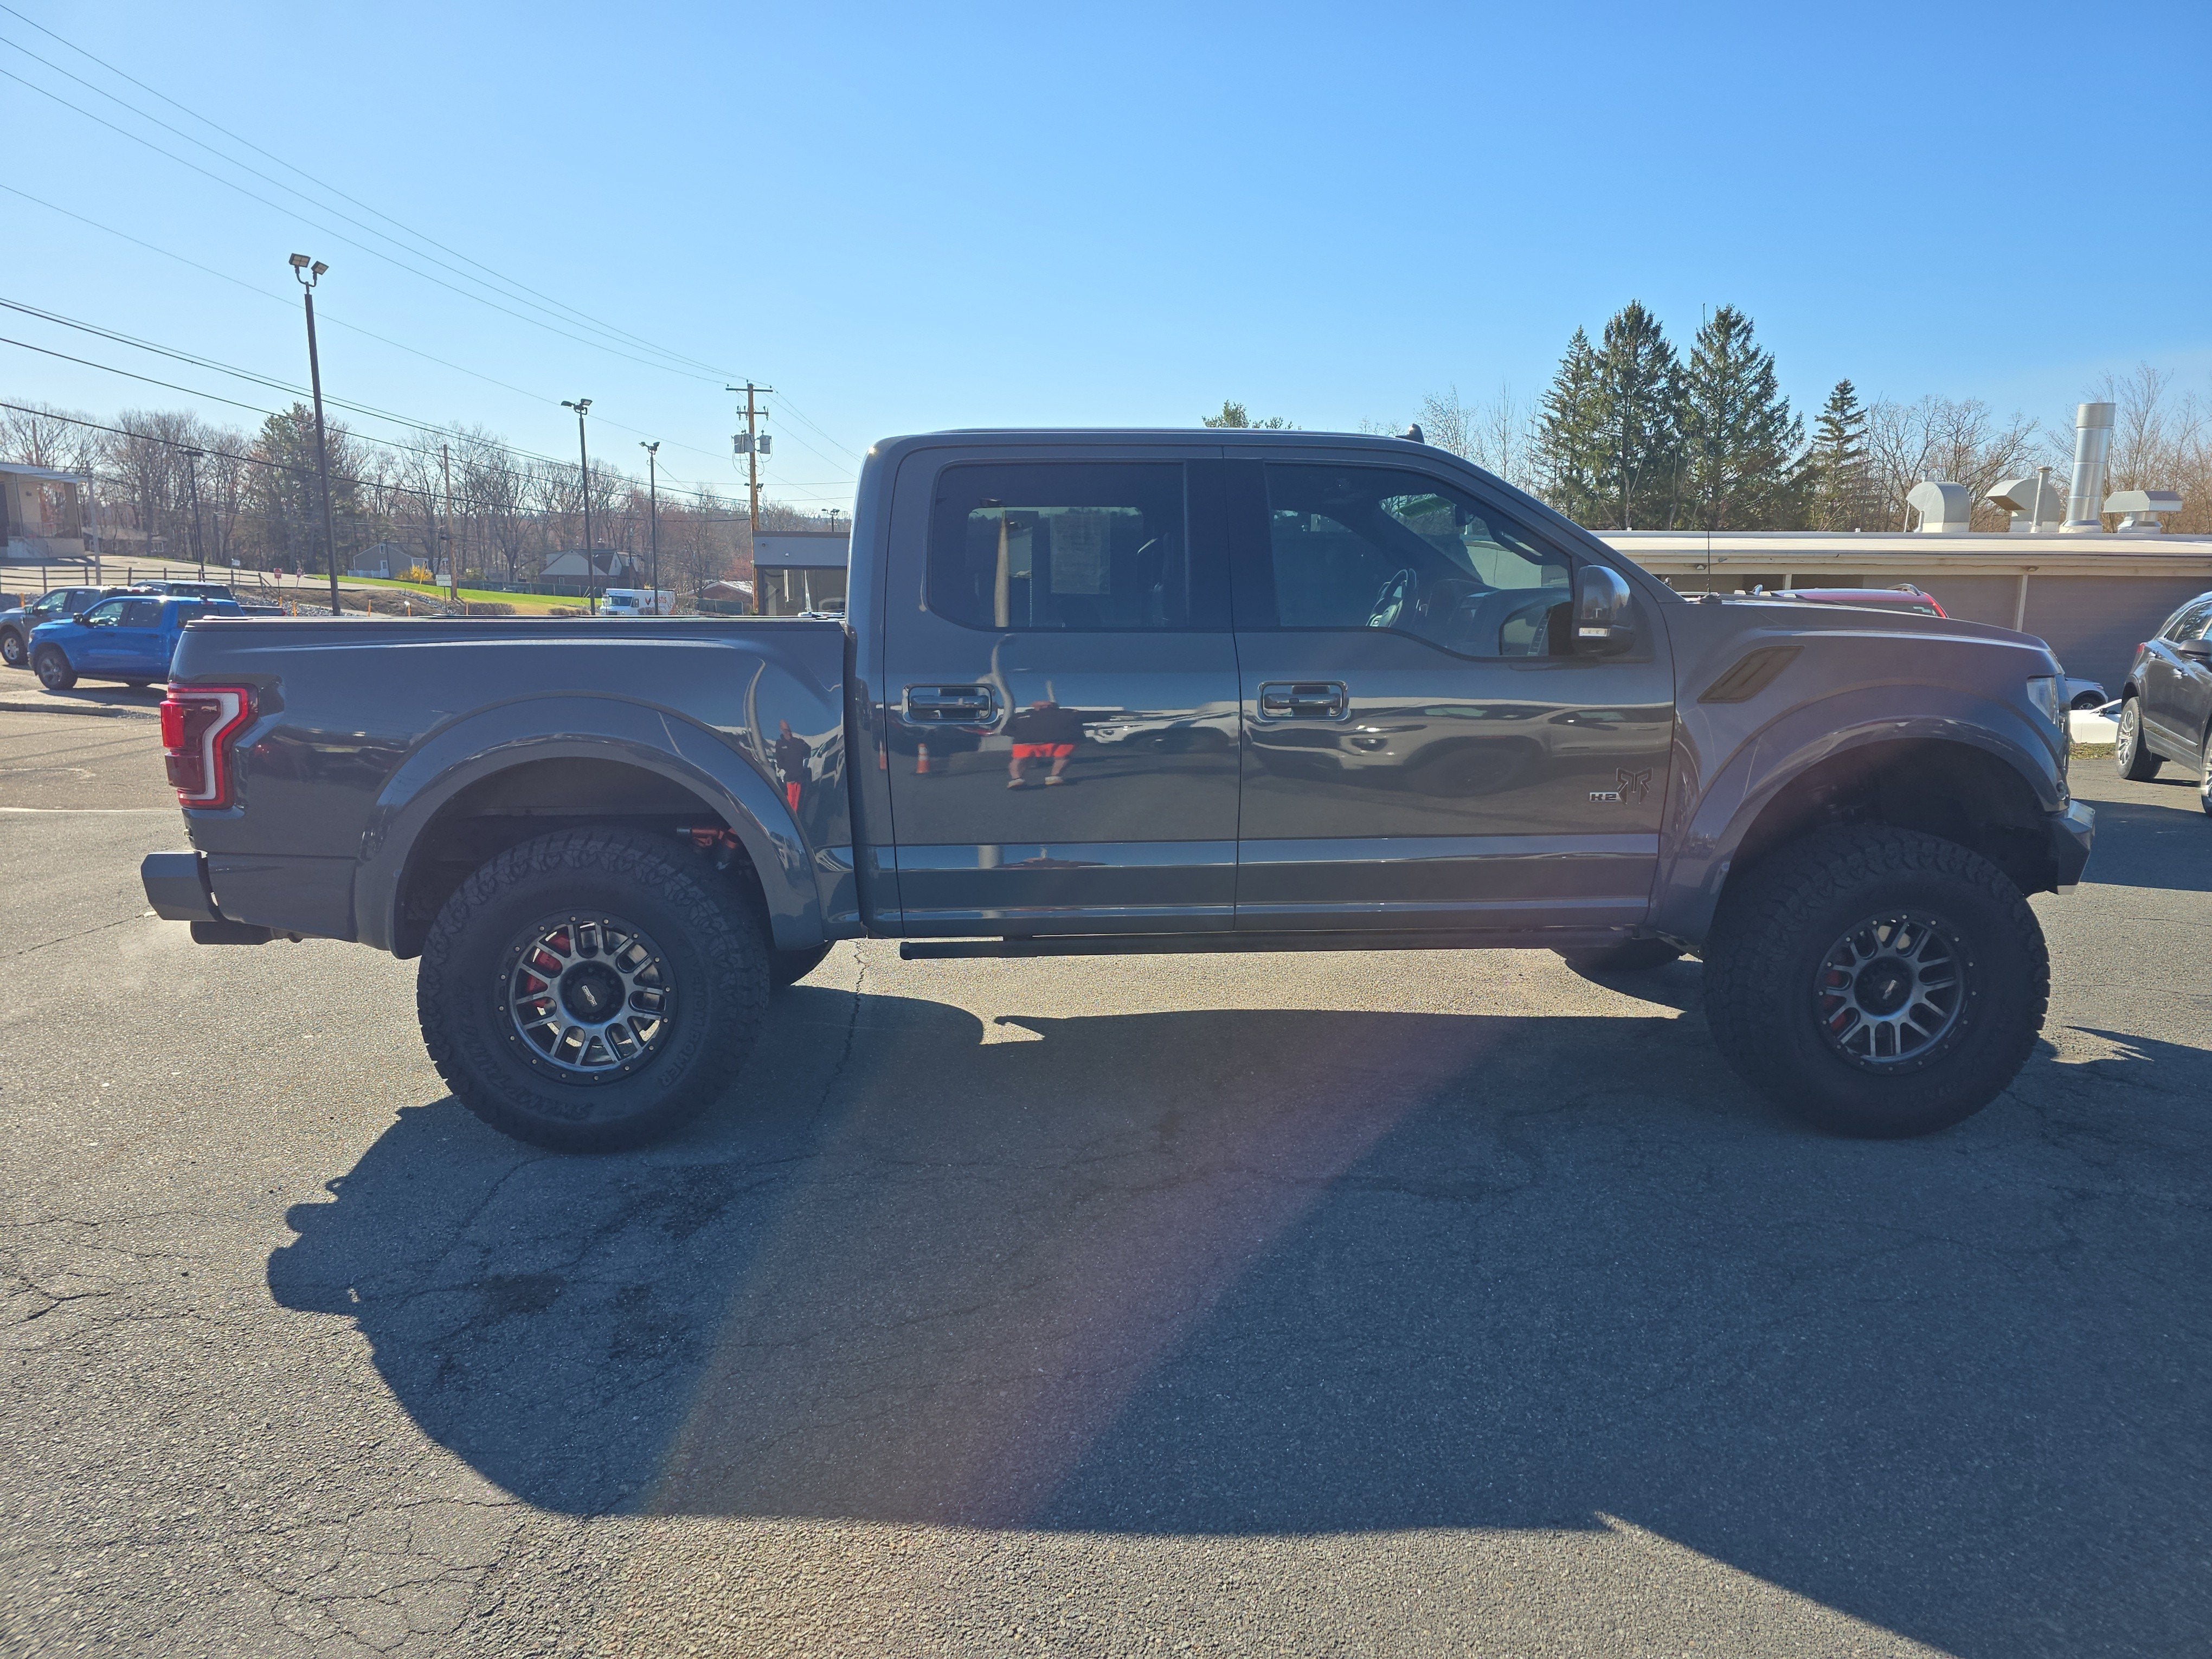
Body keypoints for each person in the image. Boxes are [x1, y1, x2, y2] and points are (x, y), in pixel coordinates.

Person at [1005, 698, 1084, 788]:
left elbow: (1007, 731)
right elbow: (1084, 718)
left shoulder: (1018, 716)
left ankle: (1016, 780)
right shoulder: (1067, 713)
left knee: (1019, 759)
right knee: (1062, 757)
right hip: (1060, 741)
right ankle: (1055, 777)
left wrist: (1022, 735)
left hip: (1026, 742)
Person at [772, 721, 811, 813]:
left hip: (799, 776)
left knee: (797, 801)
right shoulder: (780, 744)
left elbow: (807, 752)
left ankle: (795, 816)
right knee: (790, 801)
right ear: (781, 731)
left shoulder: (798, 742)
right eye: (785, 730)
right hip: (790, 777)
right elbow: (779, 761)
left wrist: (804, 745)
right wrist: (788, 769)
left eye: (789, 730)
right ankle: (792, 817)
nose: (788, 733)